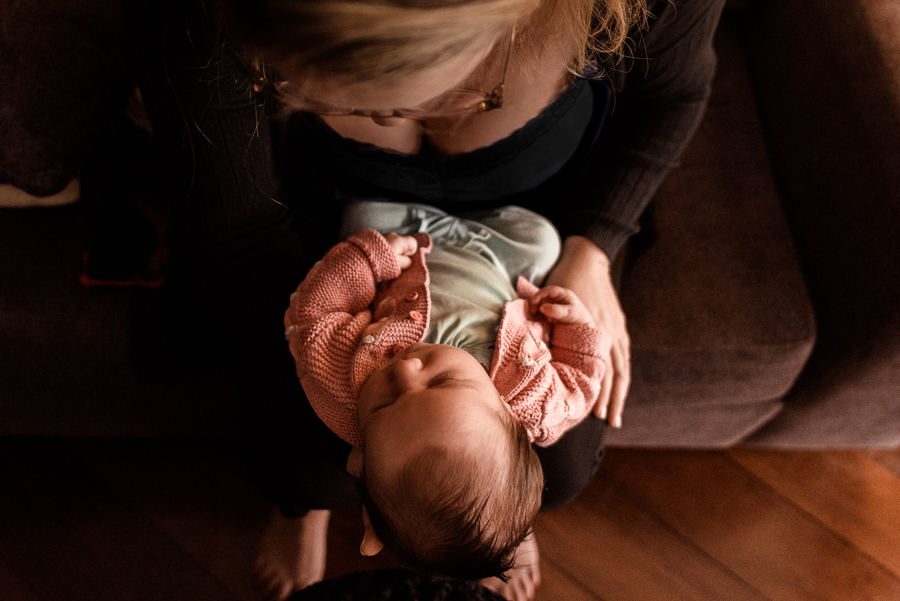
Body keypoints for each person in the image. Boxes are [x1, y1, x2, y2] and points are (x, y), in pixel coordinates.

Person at [121, 0, 725, 598]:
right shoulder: (206, 16)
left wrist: (593, 247)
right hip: (343, 220)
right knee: (301, 461)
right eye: (339, 100)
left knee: (556, 472)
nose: (383, 121)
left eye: (431, 102)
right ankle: (301, 507)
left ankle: (501, 517)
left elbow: (672, 96)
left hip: (531, 227)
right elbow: (243, 238)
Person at [282, 203, 609, 582]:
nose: (405, 370)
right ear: (509, 416)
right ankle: (511, 530)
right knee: (543, 240)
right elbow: (580, 381)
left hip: (408, 242)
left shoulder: (338, 382)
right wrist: (577, 330)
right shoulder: (538, 404)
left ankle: (504, 530)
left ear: (359, 456)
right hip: (495, 257)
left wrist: (368, 261)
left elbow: (313, 317)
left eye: (383, 405)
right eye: (443, 383)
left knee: (360, 217)